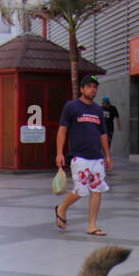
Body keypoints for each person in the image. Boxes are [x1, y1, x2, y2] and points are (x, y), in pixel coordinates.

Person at [55, 75, 111, 236]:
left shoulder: (98, 110)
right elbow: (62, 129)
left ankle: (92, 225)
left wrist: (107, 156)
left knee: (97, 190)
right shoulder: (71, 107)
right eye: (89, 86)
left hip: (96, 157)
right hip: (79, 156)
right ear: (81, 88)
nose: (92, 89)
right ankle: (62, 208)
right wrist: (59, 153)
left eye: (94, 87)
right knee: (80, 189)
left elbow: (103, 134)